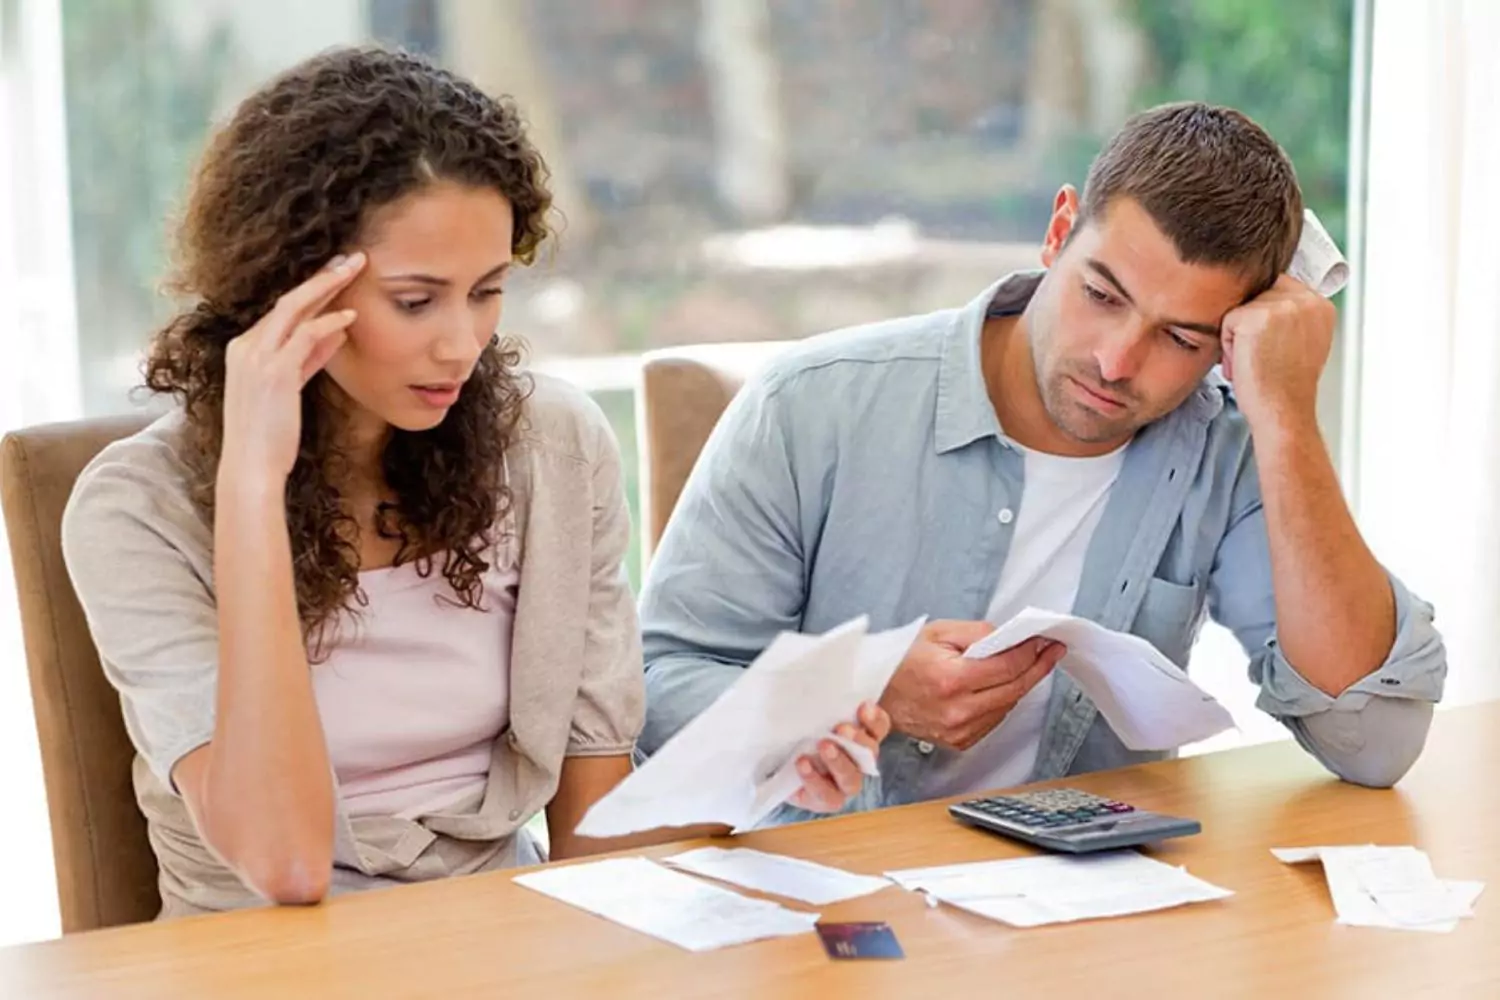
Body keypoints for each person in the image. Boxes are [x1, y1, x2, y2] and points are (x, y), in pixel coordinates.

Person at [61, 46, 886, 918]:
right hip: (253, 957)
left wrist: (758, 772)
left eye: (487, 292)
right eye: (415, 302)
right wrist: (253, 487)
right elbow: (286, 867)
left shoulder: (552, 453)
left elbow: (590, 837)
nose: (462, 344)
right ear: (288, 288)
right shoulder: (136, 509)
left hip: (500, 939)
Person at [639, 102, 1446, 821]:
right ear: (1060, 231)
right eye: (1101, 294)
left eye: (1181, 338)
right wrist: (859, 681)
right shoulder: (809, 404)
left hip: (1077, 928)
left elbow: (1372, 743)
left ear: (1230, 342)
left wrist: (1289, 416)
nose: (1117, 361)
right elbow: (650, 691)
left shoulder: (1224, 452)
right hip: (820, 924)